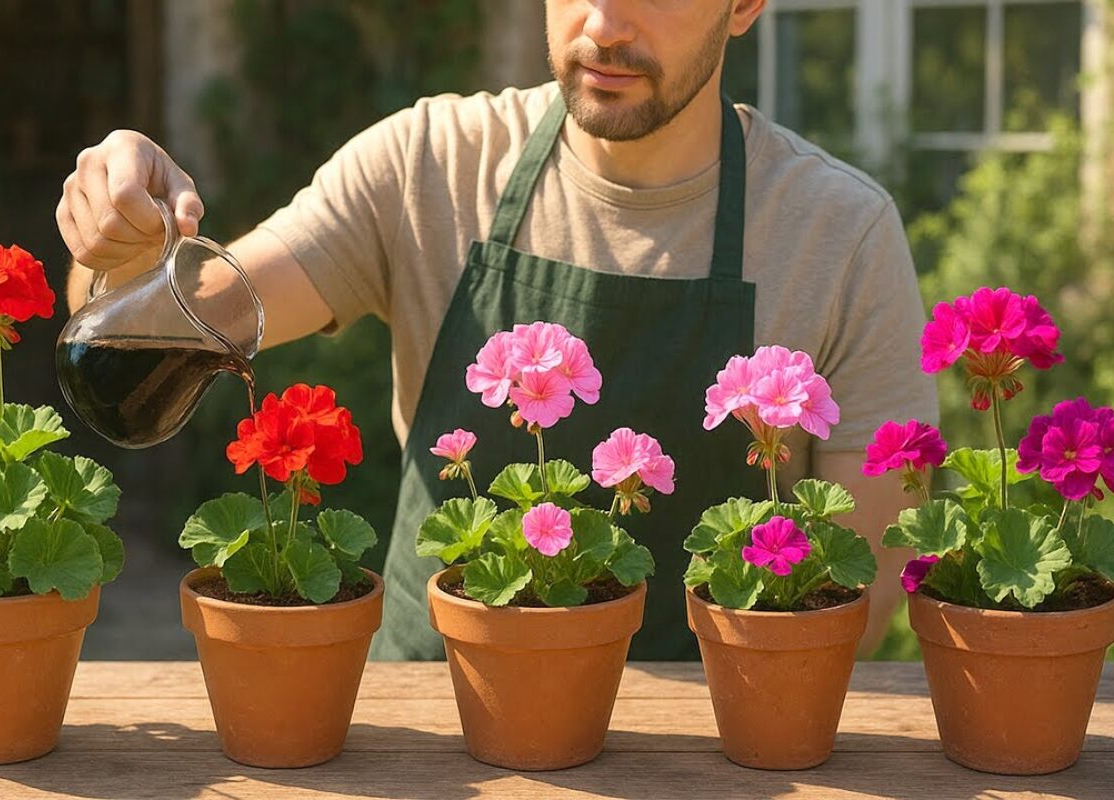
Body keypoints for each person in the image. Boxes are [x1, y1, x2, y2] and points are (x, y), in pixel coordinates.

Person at [58, 0, 936, 660]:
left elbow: (856, 606)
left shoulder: (839, 236)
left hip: (708, 759)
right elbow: (184, 312)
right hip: (432, 747)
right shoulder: (430, 165)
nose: (602, 24)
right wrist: (122, 237)